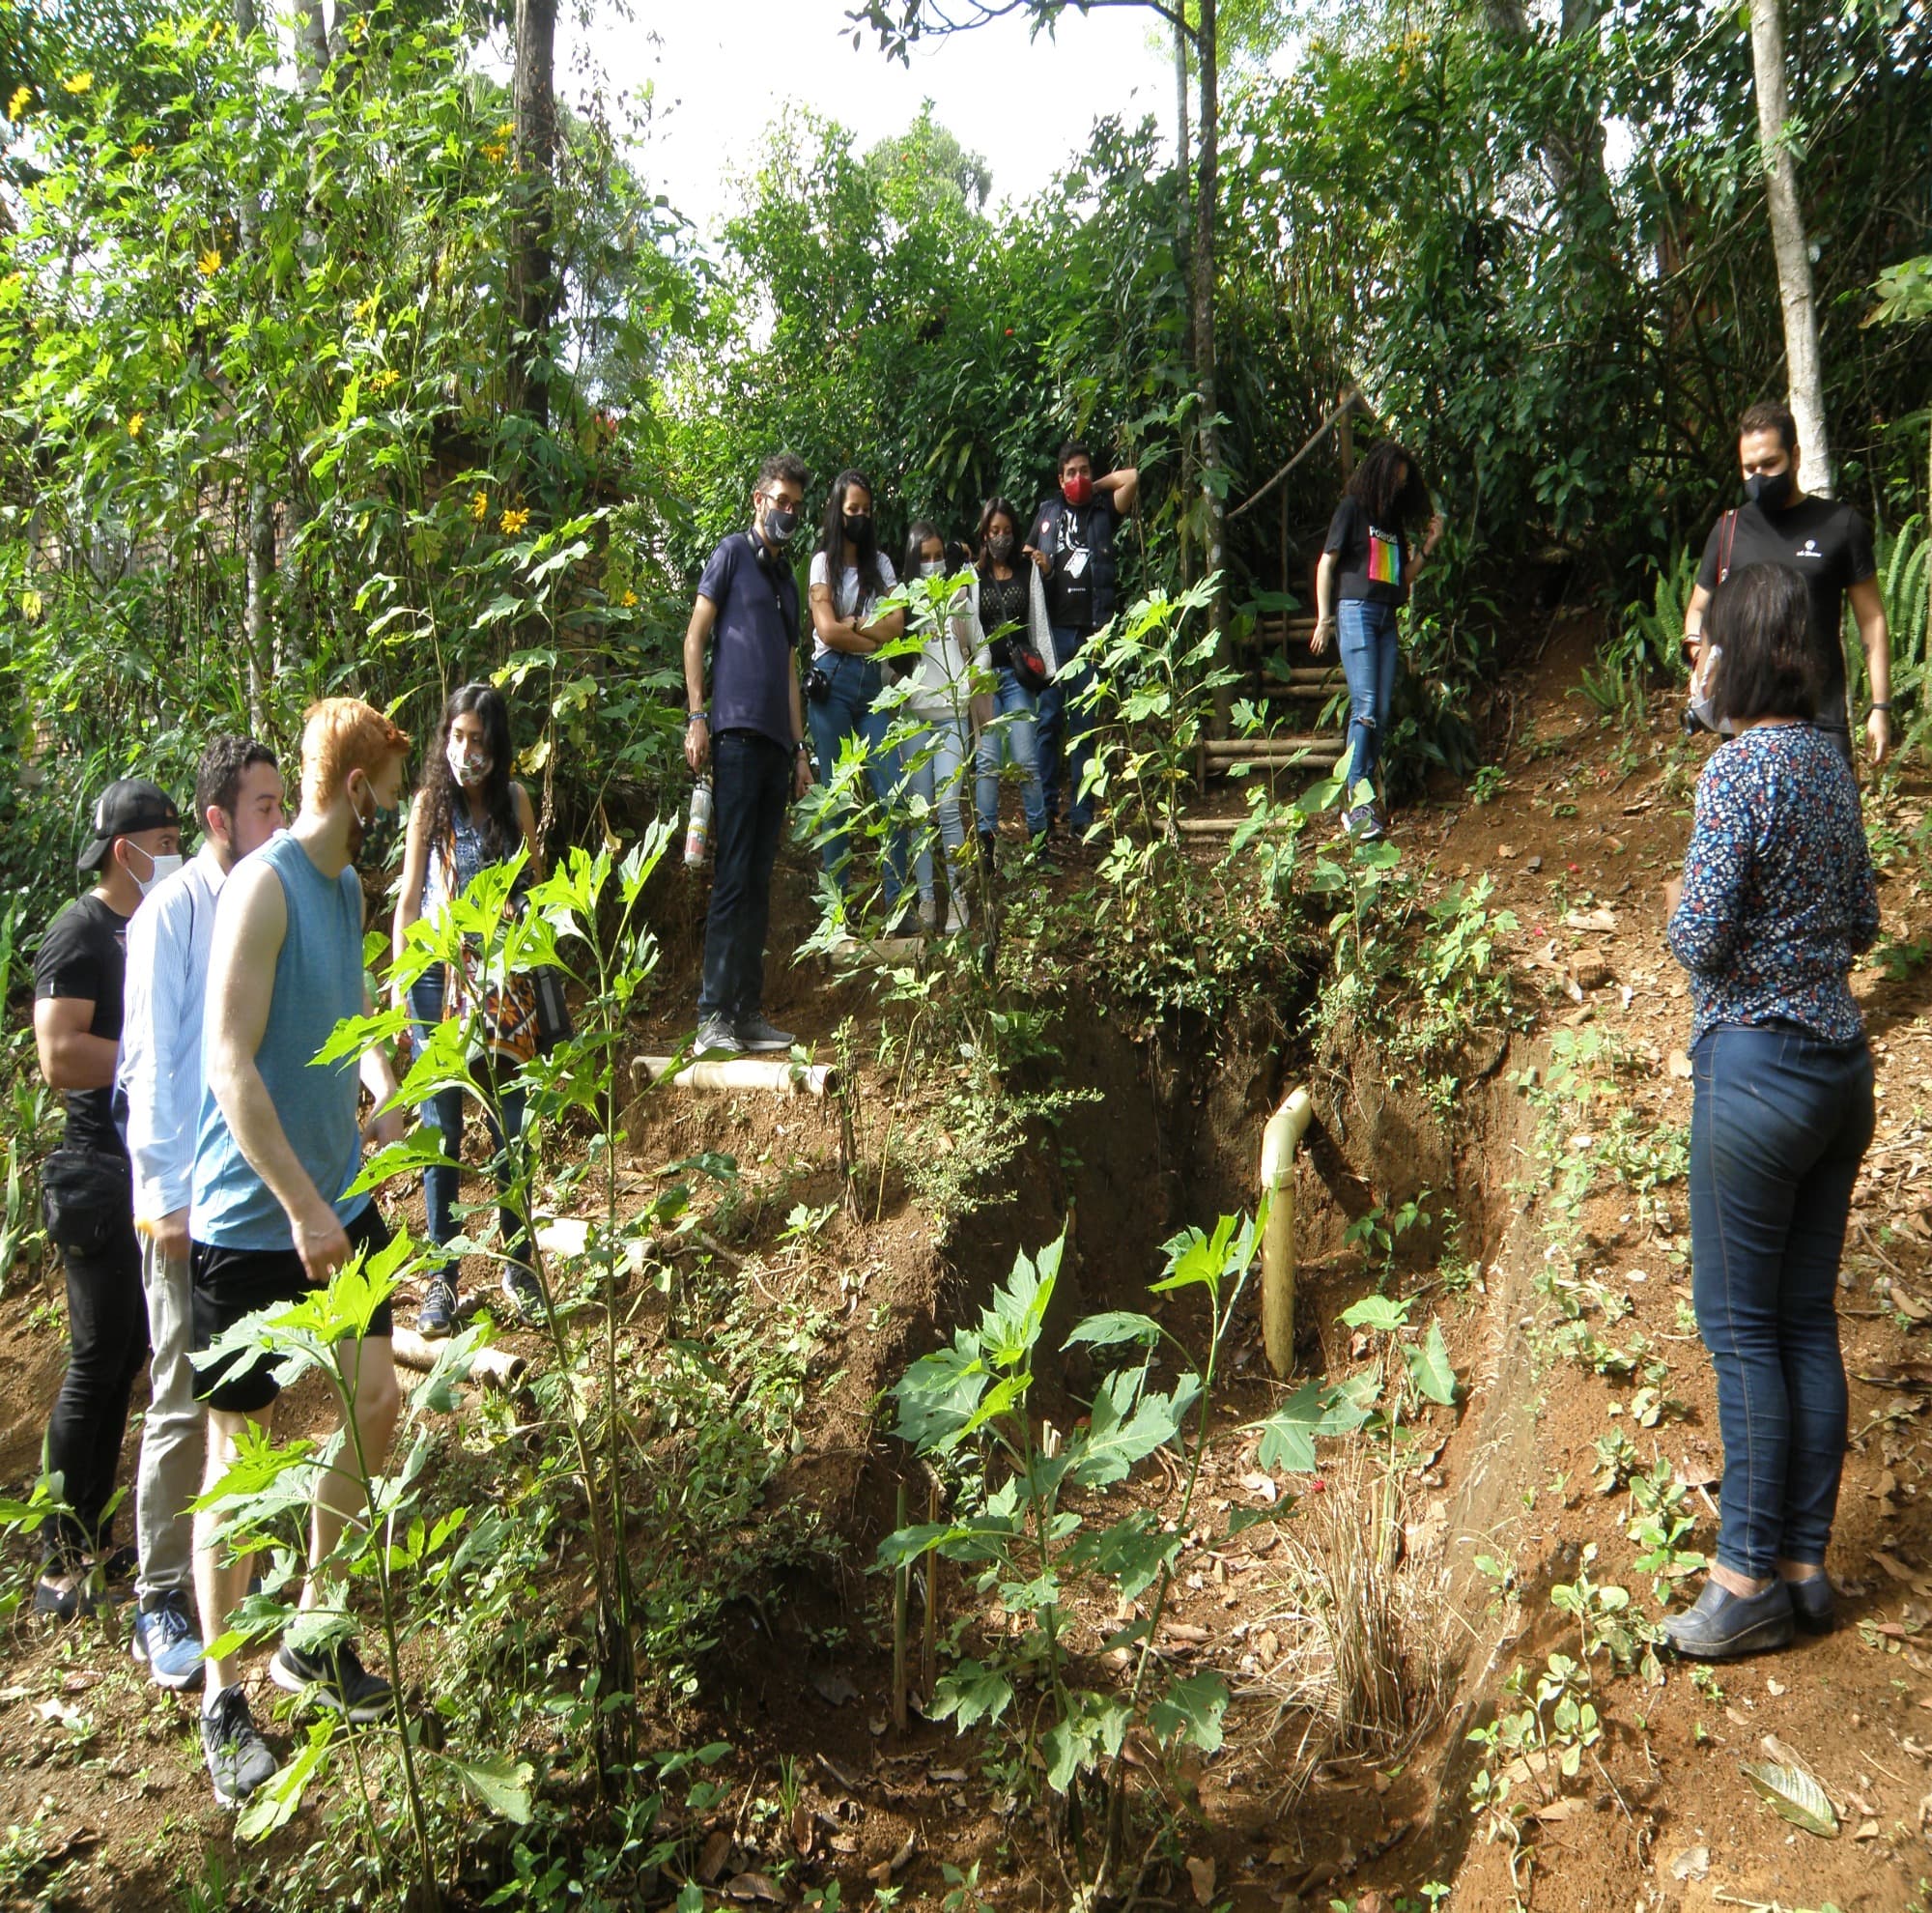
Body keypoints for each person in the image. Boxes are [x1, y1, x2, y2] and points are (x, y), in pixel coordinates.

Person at [188, 698, 411, 1806]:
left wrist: (386, 1087)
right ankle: (223, 1699)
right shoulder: (261, 887)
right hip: (250, 1216)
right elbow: (230, 1068)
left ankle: (313, 1634)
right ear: (357, 786)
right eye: (388, 779)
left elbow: (345, 1026)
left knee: (376, 1403)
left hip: (337, 1194)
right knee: (240, 1466)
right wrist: (298, 1210)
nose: (396, 799)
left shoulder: (348, 888)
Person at [1660, 563, 1879, 1661]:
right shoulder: (1827, 764)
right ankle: (1801, 1564)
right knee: (1802, 1323)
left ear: (1735, 652)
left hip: (1753, 1078)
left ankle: (1742, 1576)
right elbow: (1862, 921)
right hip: (1840, 1071)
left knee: (1740, 1332)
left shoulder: (1735, 772)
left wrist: (1677, 905)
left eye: (1707, 640)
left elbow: (1695, 935)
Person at [120, 739, 285, 1687]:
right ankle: (160, 1595)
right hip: (184, 1200)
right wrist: (165, 1199)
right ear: (219, 820)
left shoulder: (260, 899)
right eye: (262, 805)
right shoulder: (169, 916)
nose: (277, 819)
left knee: (249, 1395)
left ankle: (242, 1577)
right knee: (184, 1395)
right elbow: (150, 1067)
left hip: (250, 1192)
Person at [31, 778, 183, 1620]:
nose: (176, 855)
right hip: (95, 1171)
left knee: (128, 1353)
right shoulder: (81, 930)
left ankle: (92, 1535)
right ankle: (60, 1557)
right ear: (127, 850)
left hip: (148, 1166)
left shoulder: (150, 924)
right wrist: (149, 1053)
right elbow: (58, 1055)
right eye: (166, 840)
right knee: (95, 1361)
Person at [393, 684, 543, 1335]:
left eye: (478, 740)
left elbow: (536, 891)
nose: (465, 751)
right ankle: (443, 1284)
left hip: (507, 983)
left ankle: (518, 1263)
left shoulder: (514, 802)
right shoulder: (429, 804)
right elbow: (407, 901)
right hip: (436, 982)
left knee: (514, 1127)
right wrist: (400, 990)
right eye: (456, 737)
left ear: (497, 744)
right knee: (443, 1135)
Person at [684, 453, 815, 1057]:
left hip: (775, 748)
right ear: (758, 499)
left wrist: (800, 752)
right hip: (732, 737)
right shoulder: (732, 555)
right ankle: (714, 1015)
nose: (786, 512)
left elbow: (789, 672)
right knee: (733, 878)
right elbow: (696, 636)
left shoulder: (787, 584)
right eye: (779, 500)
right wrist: (697, 717)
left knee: (759, 880)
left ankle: (747, 1014)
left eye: (795, 504)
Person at [1683, 400, 1891, 769]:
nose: (1758, 477)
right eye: (1749, 468)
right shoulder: (1727, 531)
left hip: (1821, 724)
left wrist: (1879, 706)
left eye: (1769, 464)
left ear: (1795, 456)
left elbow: (1872, 619)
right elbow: (1699, 608)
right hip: (1744, 726)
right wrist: (1699, 657)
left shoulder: (1840, 525)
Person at [1310, 440, 1443, 840]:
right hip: (1356, 613)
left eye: (1404, 485)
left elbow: (1401, 580)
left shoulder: (1393, 526)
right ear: (1379, 475)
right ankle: (1357, 802)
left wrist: (1429, 548)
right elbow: (1326, 564)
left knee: (1380, 711)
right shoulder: (1352, 509)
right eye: (1395, 482)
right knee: (1365, 706)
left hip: (1387, 617)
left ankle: (1364, 793)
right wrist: (1323, 619)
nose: (1398, 490)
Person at [806, 469, 915, 921]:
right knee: (835, 799)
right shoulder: (820, 564)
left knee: (894, 793)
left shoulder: (882, 565)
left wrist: (856, 630)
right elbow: (825, 630)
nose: (861, 517)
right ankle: (839, 915)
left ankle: (899, 907)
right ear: (837, 510)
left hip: (872, 685)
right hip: (829, 685)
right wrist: (870, 635)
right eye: (854, 510)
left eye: (867, 510)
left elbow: (898, 625)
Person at [1030, 441, 1138, 842]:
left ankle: (1081, 817)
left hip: (1091, 632)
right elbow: (1028, 558)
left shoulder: (1102, 510)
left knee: (1084, 727)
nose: (1078, 478)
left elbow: (1133, 478)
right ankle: (1043, 812)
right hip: (1051, 634)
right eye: (1071, 473)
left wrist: (1096, 486)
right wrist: (1038, 564)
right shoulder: (1046, 512)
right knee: (1048, 722)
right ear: (1059, 479)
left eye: (1084, 470)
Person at [897, 523, 987, 933]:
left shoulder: (959, 598)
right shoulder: (900, 606)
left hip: (952, 716)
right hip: (914, 719)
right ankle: (927, 901)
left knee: (949, 806)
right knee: (920, 814)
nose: (932, 564)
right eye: (925, 558)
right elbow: (889, 662)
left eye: (938, 556)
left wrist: (969, 682)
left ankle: (958, 898)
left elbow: (982, 651)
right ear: (912, 562)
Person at [969, 496, 1050, 855]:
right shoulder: (972, 576)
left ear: (1015, 532)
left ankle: (1039, 837)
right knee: (986, 761)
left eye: (1006, 530)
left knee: (1025, 758)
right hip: (986, 679)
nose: (1000, 537)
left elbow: (1039, 621)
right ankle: (986, 841)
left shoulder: (1027, 569)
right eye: (993, 530)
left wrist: (1049, 671)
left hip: (1019, 678)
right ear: (984, 534)